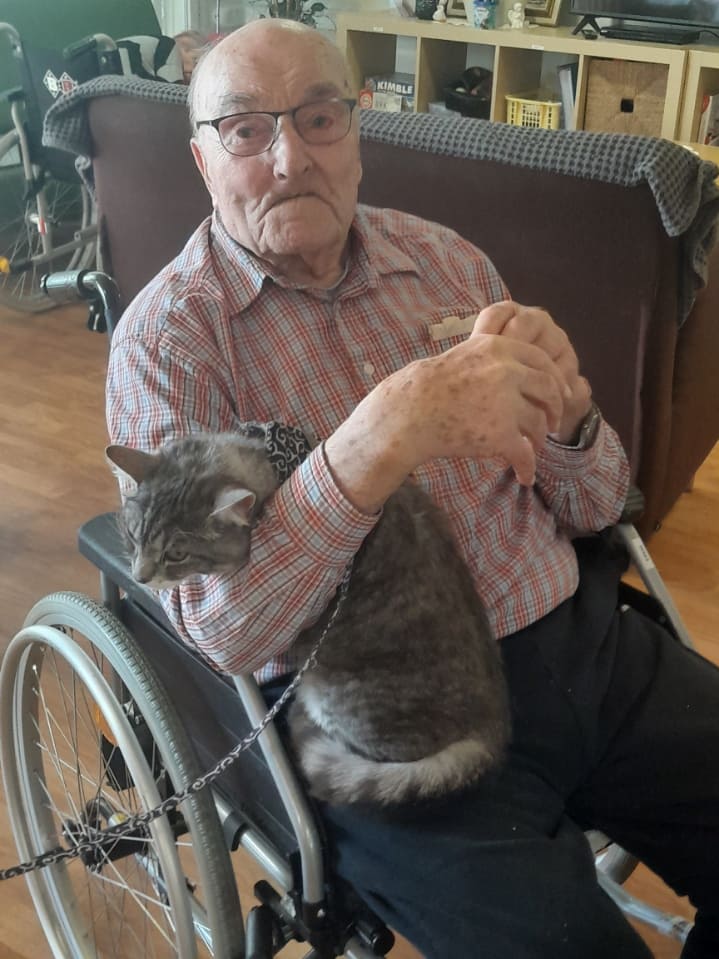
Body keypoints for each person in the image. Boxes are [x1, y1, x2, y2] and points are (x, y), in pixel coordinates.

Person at [106, 19, 719, 959]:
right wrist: (378, 439)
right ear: (202, 159)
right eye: (245, 130)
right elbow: (221, 630)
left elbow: (599, 505)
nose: (288, 158)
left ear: (356, 131)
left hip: (582, 647)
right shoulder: (171, 344)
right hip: (397, 723)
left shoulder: (447, 262)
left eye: (318, 117)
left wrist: (570, 420)